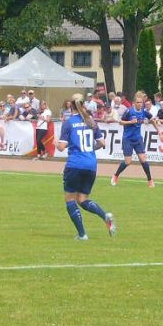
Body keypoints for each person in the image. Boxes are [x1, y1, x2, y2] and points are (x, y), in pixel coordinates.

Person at [57, 94, 116, 240]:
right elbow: (102, 143)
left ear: (70, 107)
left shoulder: (69, 123)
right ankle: (105, 215)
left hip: (75, 164)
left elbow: (61, 147)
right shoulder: (91, 121)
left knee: (70, 199)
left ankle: (82, 234)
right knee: (82, 199)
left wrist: (56, 144)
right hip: (91, 164)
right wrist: (89, 150)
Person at [111, 94, 160, 188]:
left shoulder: (144, 112)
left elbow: (152, 120)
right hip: (128, 139)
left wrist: (158, 131)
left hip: (137, 139)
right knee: (128, 161)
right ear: (134, 103)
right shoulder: (129, 111)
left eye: (141, 102)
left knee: (143, 159)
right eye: (137, 102)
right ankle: (115, 175)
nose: (139, 104)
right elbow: (120, 122)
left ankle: (150, 180)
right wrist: (130, 122)